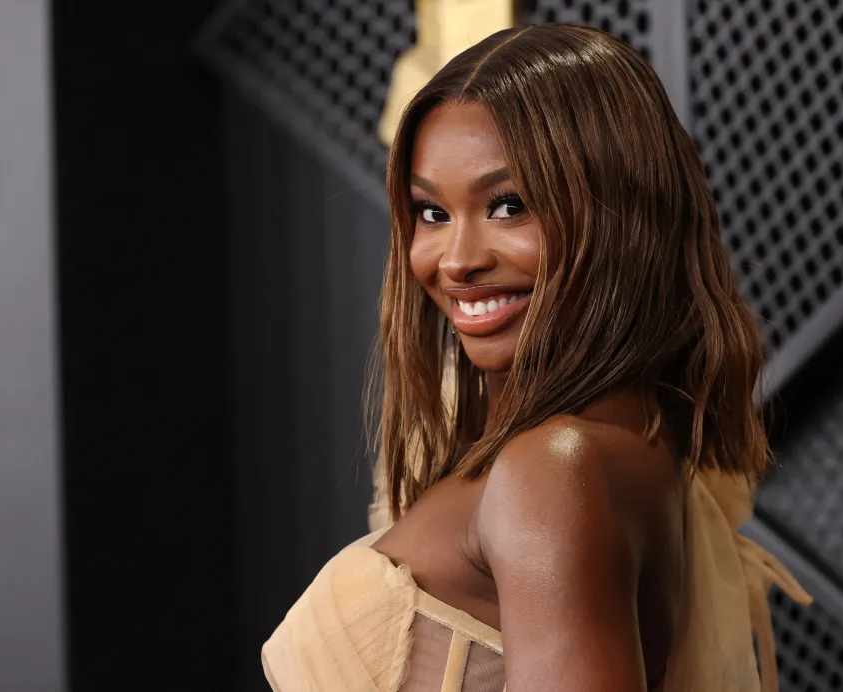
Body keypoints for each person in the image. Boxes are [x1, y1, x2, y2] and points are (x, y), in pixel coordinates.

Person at [262, 23, 811, 692]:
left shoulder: (551, 471)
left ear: (620, 214)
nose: (459, 260)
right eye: (431, 212)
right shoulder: (640, 444)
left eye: (508, 206)